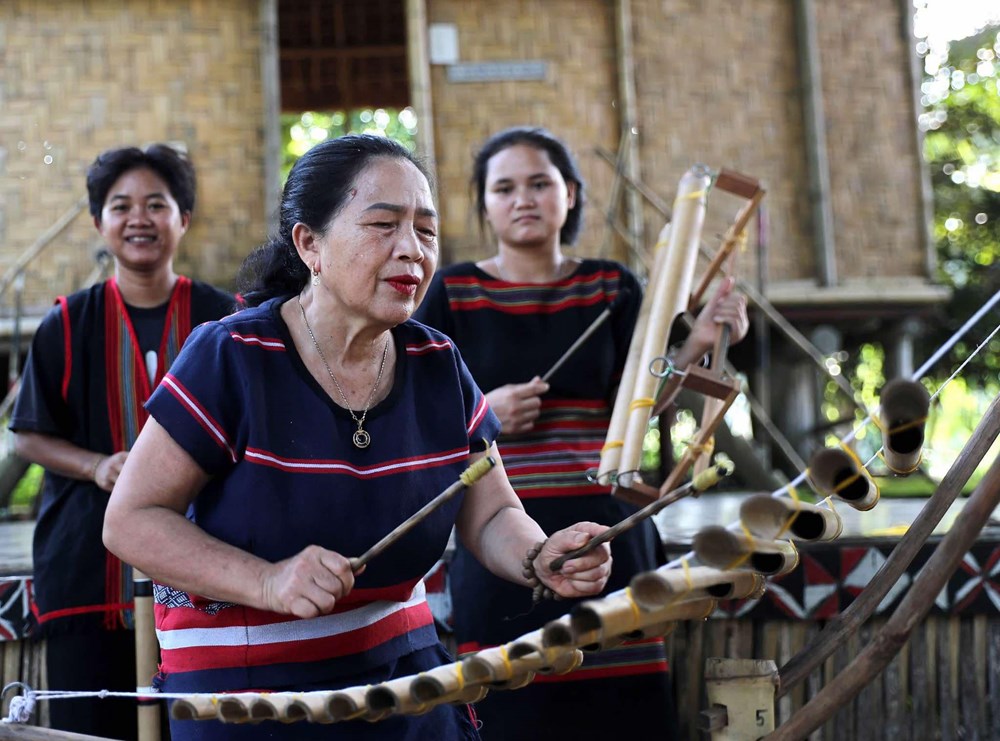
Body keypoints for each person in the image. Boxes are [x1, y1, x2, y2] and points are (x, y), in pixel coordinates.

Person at [101, 133, 613, 741]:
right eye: (383, 225)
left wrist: (537, 555)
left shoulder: (435, 361)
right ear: (309, 243)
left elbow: (492, 509)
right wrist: (266, 581)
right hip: (250, 701)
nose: (413, 251)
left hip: (404, 686)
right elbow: (130, 520)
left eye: (425, 230)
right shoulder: (234, 355)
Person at [413, 125, 749, 740]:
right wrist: (484, 409)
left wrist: (698, 343)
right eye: (505, 187)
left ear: (569, 194)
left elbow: (646, 406)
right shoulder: (450, 294)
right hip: (502, 538)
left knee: (623, 709)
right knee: (511, 705)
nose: (524, 199)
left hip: (610, 527)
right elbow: (417, 414)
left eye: (541, 183)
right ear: (484, 203)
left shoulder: (611, 286)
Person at [9, 143, 237, 739]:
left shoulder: (225, 320)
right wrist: (97, 466)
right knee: (93, 726)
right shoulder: (68, 321)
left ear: (183, 219)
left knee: (205, 725)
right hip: (87, 568)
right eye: (121, 205)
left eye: (156, 204)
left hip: (210, 571)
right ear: (98, 222)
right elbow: (30, 436)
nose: (139, 218)